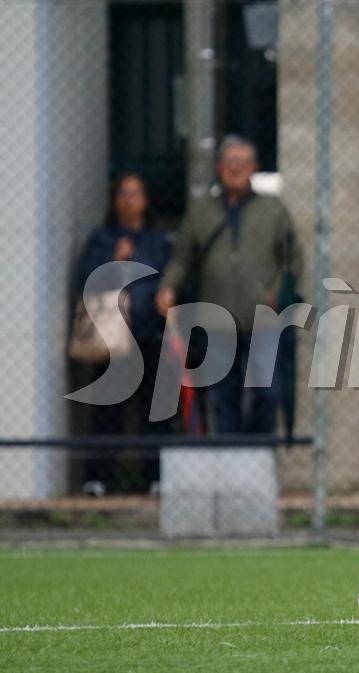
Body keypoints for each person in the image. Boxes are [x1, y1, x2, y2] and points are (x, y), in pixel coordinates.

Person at [156, 135, 301, 434]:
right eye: (230, 162)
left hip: (263, 317)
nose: (236, 168)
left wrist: (276, 294)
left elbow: (292, 260)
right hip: (216, 318)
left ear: (254, 167)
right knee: (222, 395)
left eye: (242, 162)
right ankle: (230, 452)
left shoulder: (274, 211)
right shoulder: (201, 212)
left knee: (267, 391)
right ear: (219, 167)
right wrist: (168, 287)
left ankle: (260, 451)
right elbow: (182, 258)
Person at [75, 173, 172, 493]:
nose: (129, 200)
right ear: (114, 201)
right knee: (107, 408)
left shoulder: (157, 241)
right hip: (112, 337)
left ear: (146, 200)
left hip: (150, 334)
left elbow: (168, 278)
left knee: (154, 409)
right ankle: (98, 478)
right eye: (123, 194)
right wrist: (113, 260)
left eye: (135, 193)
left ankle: (155, 477)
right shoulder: (101, 239)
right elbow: (85, 280)